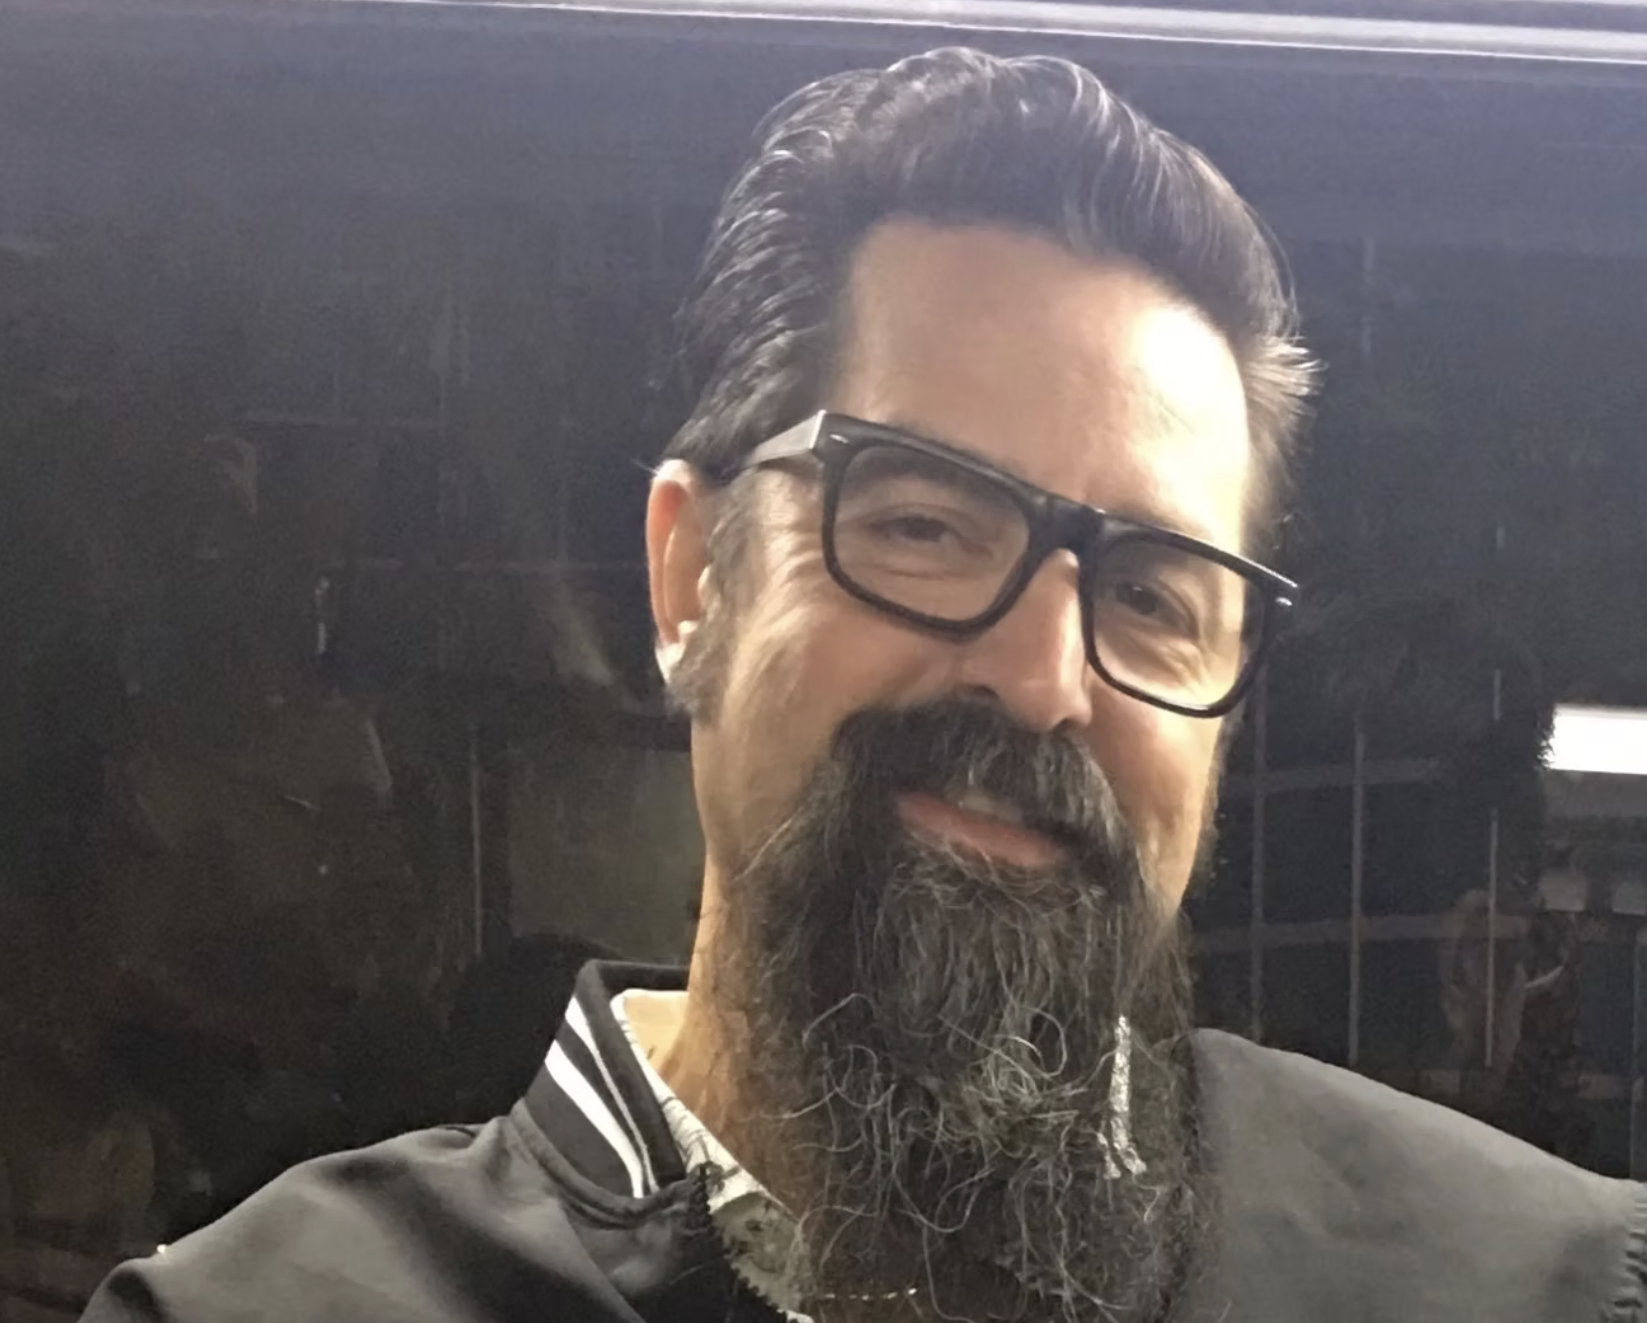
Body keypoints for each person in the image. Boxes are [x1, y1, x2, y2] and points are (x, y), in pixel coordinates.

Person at [82, 46, 1644, 1323]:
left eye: (1149, 596)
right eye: (922, 526)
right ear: (691, 579)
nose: (1040, 678)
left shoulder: (1532, 1285)